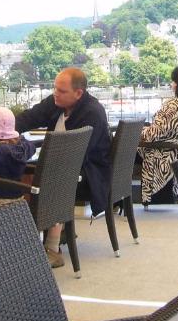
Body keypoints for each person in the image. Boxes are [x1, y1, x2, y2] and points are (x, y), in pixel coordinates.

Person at [15, 67, 110, 268]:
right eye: (55, 88)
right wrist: (3, 130)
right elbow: (29, 118)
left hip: (89, 177)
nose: (56, 93)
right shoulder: (56, 102)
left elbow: (78, 156)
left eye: (62, 90)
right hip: (64, 168)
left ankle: (52, 248)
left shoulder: (92, 113)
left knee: (48, 180)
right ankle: (27, 239)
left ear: (78, 93)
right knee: (22, 174)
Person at [139, 64, 178, 205]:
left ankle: (113, 199)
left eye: (174, 81)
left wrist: (138, 131)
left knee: (117, 151)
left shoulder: (174, 105)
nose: (171, 84)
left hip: (160, 154)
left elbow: (152, 135)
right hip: (174, 152)